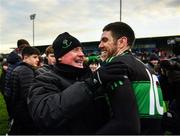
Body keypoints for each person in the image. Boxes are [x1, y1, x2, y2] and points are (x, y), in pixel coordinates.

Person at [27, 32, 139, 134]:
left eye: (81, 50)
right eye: (75, 50)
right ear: (60, 56)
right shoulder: (44, 79)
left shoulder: (90, 75)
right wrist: (90, 84)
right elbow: (44, 115)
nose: (81, 54)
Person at [98, 21, 165, 134]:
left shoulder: (117, 64)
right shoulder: (148, 68)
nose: (100, 45)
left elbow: (123, 124)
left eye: (105, 40)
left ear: (121, 42)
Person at [8, 46, 40, 135]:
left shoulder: (18, 68)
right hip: (25, 113)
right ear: (25, 57)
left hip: (18, 109)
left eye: (38, 57)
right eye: (34, 57)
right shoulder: (26, 71)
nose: (37, 59)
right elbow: (29, 96)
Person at [3, 39, 30, 127]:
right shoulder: (18, 61)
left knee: (12, 111)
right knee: (16, 114)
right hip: (12, 92)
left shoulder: (12, 58)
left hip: (8, 90)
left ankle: (12, 122)